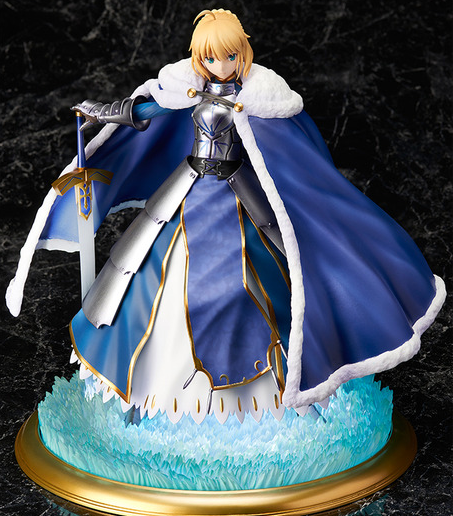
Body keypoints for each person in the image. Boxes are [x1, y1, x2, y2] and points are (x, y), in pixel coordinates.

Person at [6, 9, 445, 425]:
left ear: (242, 54)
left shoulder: (259, 98)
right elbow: (143, 112)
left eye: (229, 56)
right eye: (212, 57)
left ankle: (291, 392)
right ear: (200, 57)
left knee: (263, 282)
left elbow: (299, 156)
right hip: (187, 188)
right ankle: (143, 395)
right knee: (152, 281)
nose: (220, 65)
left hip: (238, 194)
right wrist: (100, 112)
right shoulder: (188, 89)